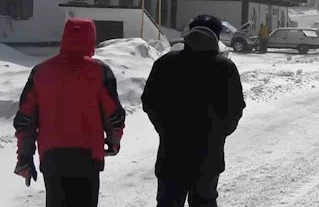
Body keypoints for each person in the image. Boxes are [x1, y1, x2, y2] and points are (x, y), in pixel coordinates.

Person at [13, 18, 125, 207]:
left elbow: (25, 118)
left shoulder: (40, 72)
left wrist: (24, 156)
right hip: (87, 158)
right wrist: (113, 143)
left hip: (52, 158)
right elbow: (115, 116)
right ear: (91, 39)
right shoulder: (99, 72)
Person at [142, 14, 246, 207]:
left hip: (171, 152)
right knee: (204, 201)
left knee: (168, 202)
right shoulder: (225, 68)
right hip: (209, 155)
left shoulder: (166, 63)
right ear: (215, 36)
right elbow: (235, 108)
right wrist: (219, 132)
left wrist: (164, 128)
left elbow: (149, 101)